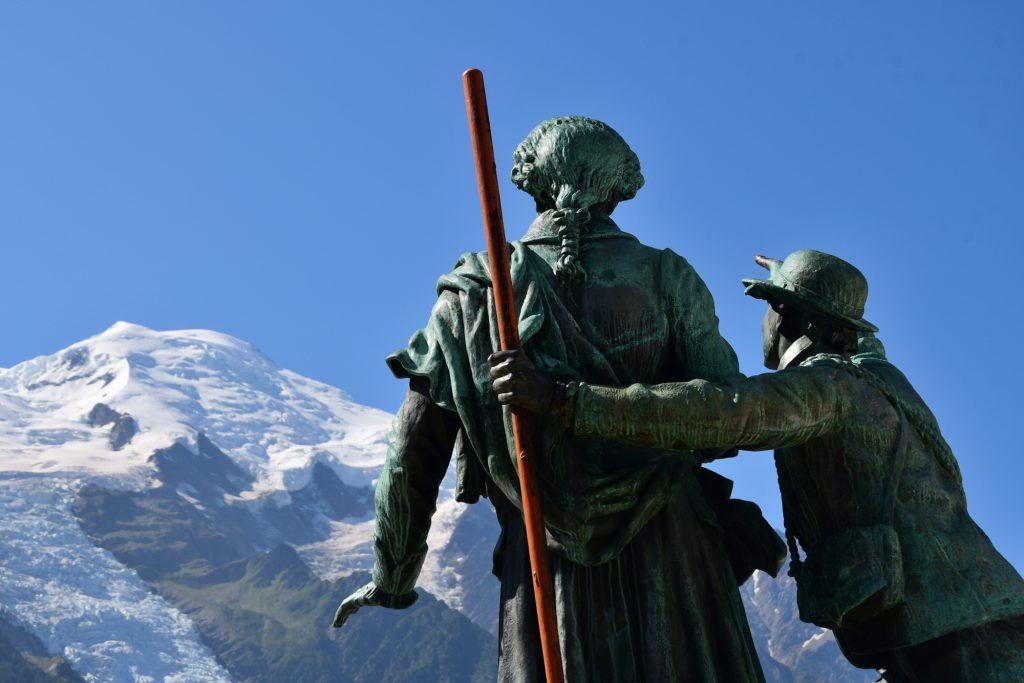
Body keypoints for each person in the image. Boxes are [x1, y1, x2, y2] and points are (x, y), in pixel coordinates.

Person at [332, 116, 774, 682]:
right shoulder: (667, 277)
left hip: (543, 556)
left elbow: (410, 453)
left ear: (533, 184)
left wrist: (392, 578)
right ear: (617, 190)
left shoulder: (473, 296)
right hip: (675, 552)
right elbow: (726, 412)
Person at [490, 249, 1024, 682]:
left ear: (794, 318)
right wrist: (790, 275)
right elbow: (862, 339)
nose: (764, 320)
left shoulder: (828, 390)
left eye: (770, 305)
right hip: (962, 627)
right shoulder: (876, 376)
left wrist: (564, 398)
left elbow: (720, 412)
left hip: (958, 641)